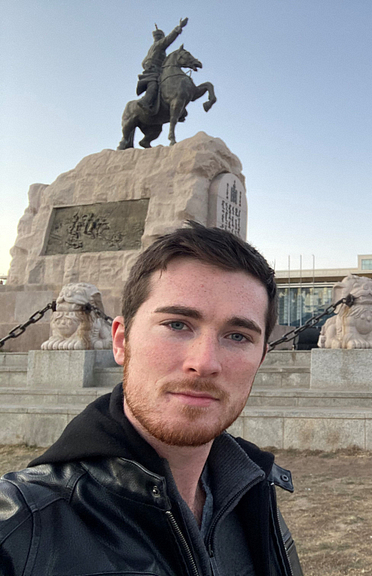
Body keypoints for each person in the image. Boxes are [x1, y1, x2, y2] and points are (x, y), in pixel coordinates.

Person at [0, 222, 303, 576]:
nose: (204, 363)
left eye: (237, 336)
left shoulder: (254, 493)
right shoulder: (21, 528)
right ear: (121, 341)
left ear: (261, 358)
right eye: (177, 325)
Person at [137, 18, 188, 113]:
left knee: (165, 83)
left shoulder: (152, 49)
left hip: (156, 68)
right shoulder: (158, 45)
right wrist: (179, 27)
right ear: (160, 37)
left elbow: (143, 62)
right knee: (154, 83)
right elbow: (169, 39)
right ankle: (145, 101)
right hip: (154, 69)